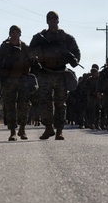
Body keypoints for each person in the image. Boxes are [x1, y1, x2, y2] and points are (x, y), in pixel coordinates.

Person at [29, 11, 80, 140]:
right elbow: (30, 53)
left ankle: (59, 130)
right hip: (45, 72)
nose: (52, 21)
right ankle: (48, 128)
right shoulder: (39, 37)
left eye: (54, 18)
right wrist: (41, 52)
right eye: (50, 19)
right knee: (45, 101)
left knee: (60, 103)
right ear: (47, 21)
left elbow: (76, 55)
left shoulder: (66, 38)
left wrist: (70, 57)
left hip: (60, 73)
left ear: (58, 20)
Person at [0, 25, 35, 141]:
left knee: (24, 105)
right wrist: (1, 72)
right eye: (12, 32)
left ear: (20, 34)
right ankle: (12, 131)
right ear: (9, 34)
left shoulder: (25, 48)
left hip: (23, 79)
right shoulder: (4, 48)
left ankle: (22, 128)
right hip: (9, 80)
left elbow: (34, 62)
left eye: (17, 32)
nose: (15, 34)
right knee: (10, 106)